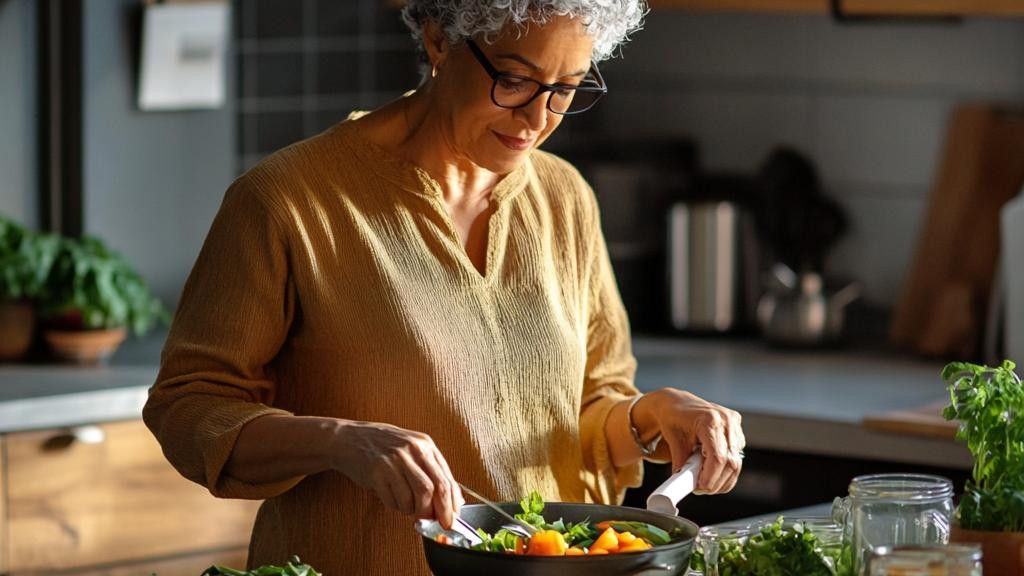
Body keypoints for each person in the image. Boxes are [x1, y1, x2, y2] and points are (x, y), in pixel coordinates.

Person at [143, 1, 745, 573]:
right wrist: (340, 442)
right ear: (438, 39)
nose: (538, 120)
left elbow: (579, 408)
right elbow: (189, 406)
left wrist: (649, 416)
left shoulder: (564, 198)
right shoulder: (287, 202)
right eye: (514, 80)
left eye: (566, 90)